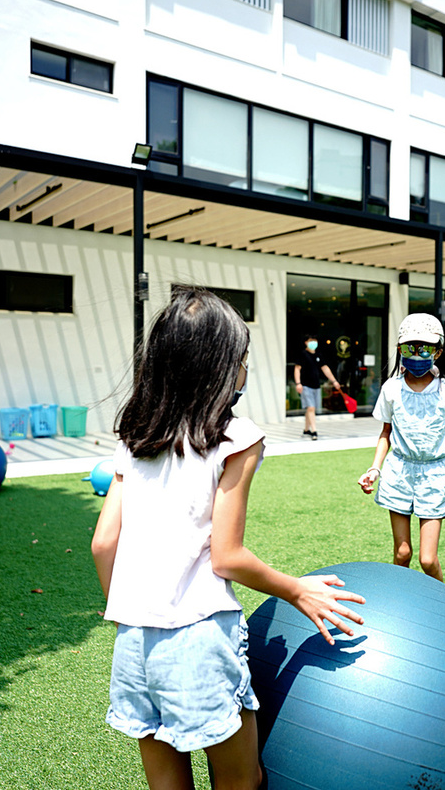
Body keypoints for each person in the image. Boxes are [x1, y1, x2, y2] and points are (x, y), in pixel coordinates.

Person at [91, 286, 365, 790]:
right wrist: (297, 590)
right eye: (241, 359)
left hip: (133, 641)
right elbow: (228, 556)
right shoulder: (237, 437)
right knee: (242, 781)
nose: (244, 371)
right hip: (197, 636)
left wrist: (134, 613)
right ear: (219, 367)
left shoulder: (134, 434)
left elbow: (103, 544)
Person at [357, 313, 445, 581]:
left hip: (435, 473)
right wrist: (374, 469)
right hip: (398, 472)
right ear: (399, 349)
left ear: (437, 352)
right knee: (402, 553)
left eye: (425, 348)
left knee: (428, 560)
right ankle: (399, 604)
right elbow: (385, 434)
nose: (417, 355)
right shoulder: (391, 389)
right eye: (409, 348)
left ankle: (443, 606)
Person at [293, 335, 341, 440]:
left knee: (310, 409)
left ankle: (306, 429)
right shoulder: (303, 354)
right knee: (311, 408)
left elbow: (325, 368)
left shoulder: (318, 355)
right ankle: (314, 431)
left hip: (316, 386)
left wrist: (334, 381)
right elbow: (297, 369)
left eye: (315, 340)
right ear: (306, 342)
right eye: (311, 341)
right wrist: (298, 383)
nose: (313, 342)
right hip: (306, 386)